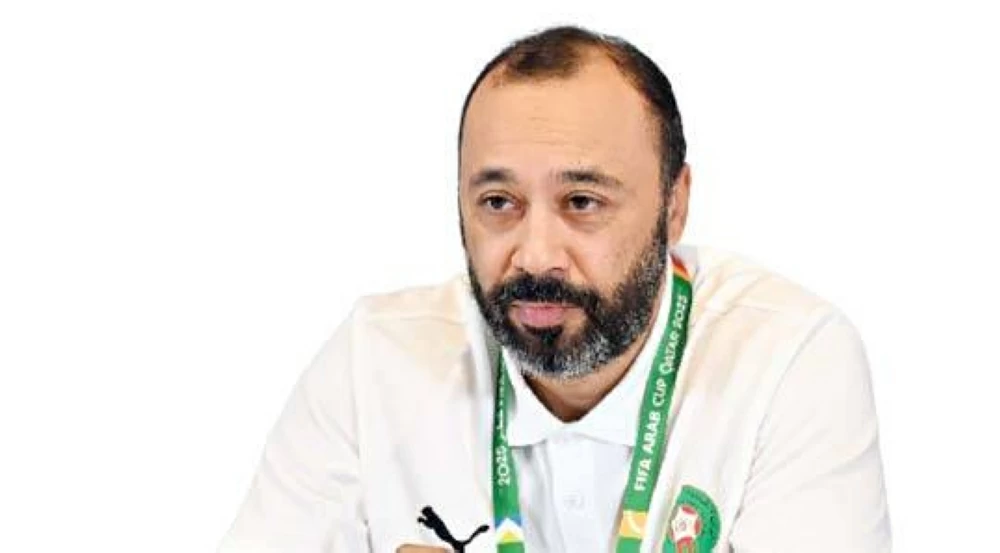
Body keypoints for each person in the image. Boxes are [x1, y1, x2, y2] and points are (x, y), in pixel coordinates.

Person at [218, 25, 891, 553]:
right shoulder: (372, 360)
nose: (535, 255)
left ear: (674, 205)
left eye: (582, 201)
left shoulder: (790, 359)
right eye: (499, 203)